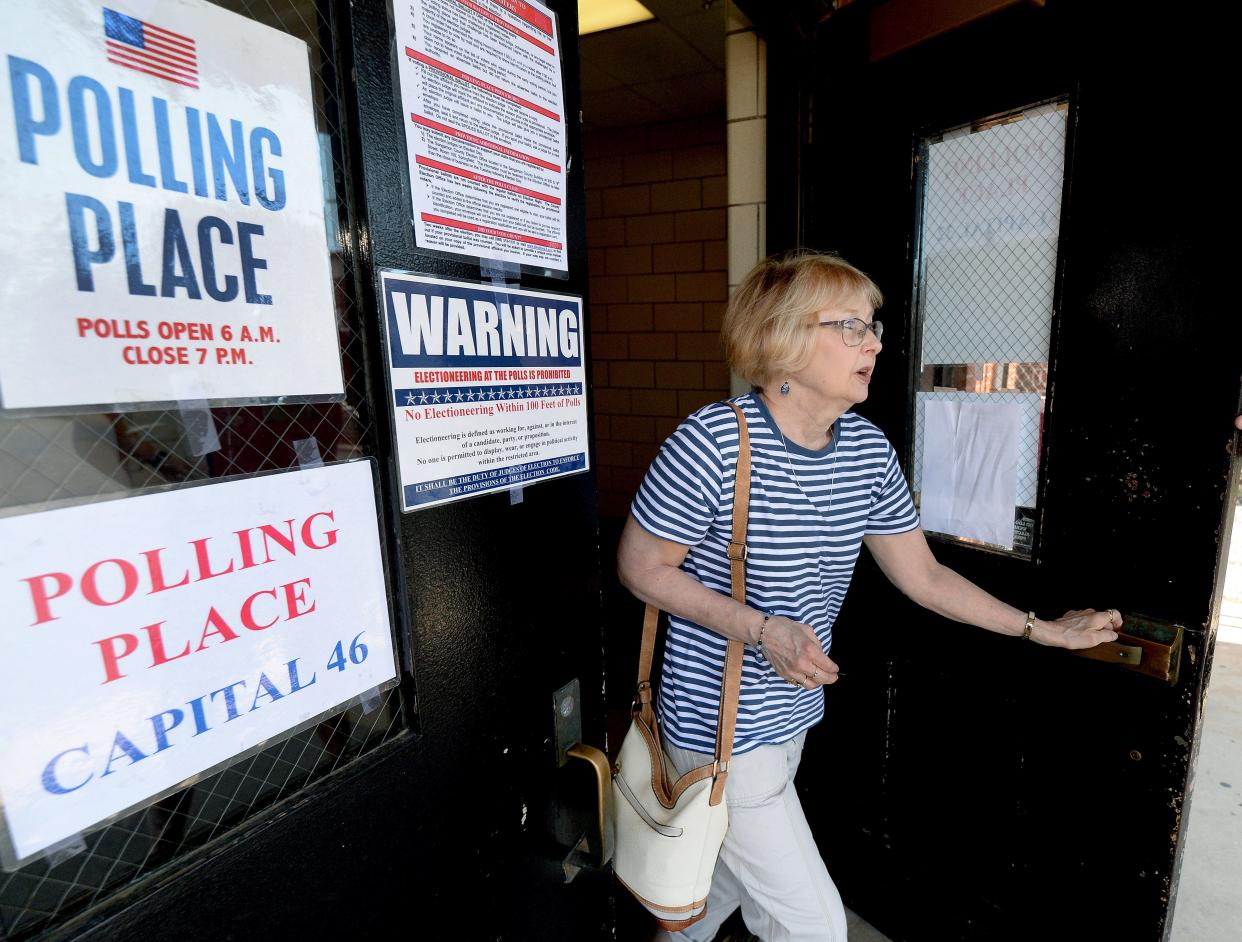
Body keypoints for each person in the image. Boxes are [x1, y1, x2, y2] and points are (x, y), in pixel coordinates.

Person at [616, 251, 1121, 942]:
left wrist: (1040, 629)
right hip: (717, 731)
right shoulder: (714, 443)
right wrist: (764, 629)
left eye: (873, 325)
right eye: (852, 327)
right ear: (784, 338)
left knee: (710, 890)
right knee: (814, 926)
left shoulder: (865, 450)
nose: (876, 343)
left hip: (789, 720)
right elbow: (642, 568)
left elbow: (925, 577)